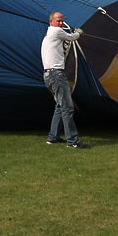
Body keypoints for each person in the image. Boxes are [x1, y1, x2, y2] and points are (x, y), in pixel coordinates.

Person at [42, 11, 88, 149]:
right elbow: (72, 37)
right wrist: (79, 33)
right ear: (51, 22)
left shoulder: (49, 34)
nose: (61, 23)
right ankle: (73, 141)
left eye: (62, 21)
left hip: (48, 75)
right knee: (67, 108)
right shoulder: (56, 32)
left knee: (59, 106)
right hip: (56, 75)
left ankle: (53, 137)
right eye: (58, 21)